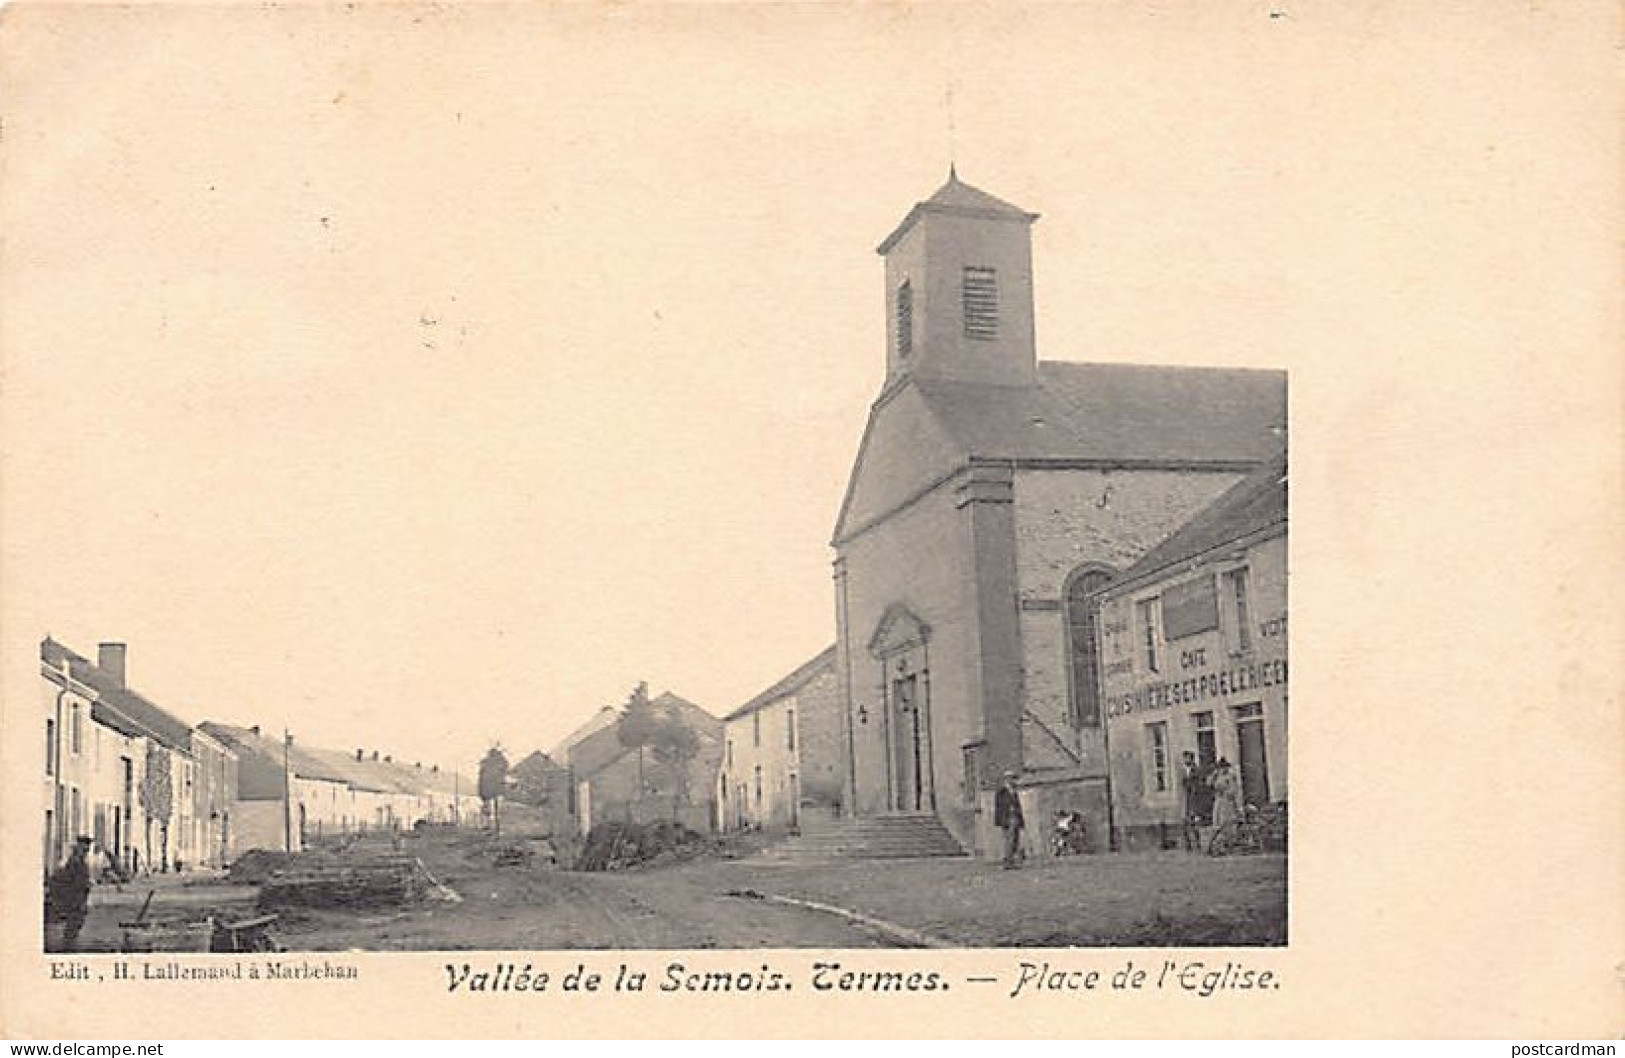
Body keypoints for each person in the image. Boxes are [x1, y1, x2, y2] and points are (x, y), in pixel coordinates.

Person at [45, 836, 93, 952]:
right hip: (75, 898)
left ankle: (69, 944)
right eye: (85, 849)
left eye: (87, 849)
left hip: (79, 897)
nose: (87, 851)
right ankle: (68, 947)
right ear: (80, 848)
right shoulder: (75, 861)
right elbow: (72, 879)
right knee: (74, 923)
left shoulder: (78, 861)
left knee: (75, 923)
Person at [1180, 751, 1214, 852]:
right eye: (1185, 758)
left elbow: (1199, 786)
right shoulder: (1181, 771)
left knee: (1194, 823)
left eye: (1188, 758)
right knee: (1184, 824)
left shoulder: (1197, 771)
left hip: (1194, 800)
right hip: (1185, 800)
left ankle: (1197, 844)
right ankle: (1188, 845)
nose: (1186, 760)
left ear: (1192, 759)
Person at [1208, 759, 1242, 854]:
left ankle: (1224, 846)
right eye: (1220, 767)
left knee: (1225, 823)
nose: (1222, 769)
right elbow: (1209, 783)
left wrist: (1225, 792)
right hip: (1218, 801)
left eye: (1224, 767)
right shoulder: (1217, 776)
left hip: (1227, 802)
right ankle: (1216, 847)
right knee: (1217, 823)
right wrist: (1214, 774)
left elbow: (1234, 790)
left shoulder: (1230, 776)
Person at [994, 770, 1025, 869]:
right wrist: (1000, 820)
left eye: (1013, 778)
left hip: (1015, 817)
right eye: (1011, 778)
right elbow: (999, 807)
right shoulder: (1001, 792)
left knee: (1015, 840)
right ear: (1006, 779)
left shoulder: (1013, 791)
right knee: (1009, 840)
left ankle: (1012, 861)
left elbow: (1018, 806)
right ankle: (1007, 861)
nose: (1013, 780)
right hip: (1007, 818)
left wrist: (1021, 820)